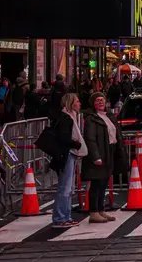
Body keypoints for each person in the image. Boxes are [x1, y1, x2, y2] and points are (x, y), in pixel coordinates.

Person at [46, 92, 86, 228]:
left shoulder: (70, 117)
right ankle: (60, 218)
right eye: (77, 101)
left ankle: (66, 216)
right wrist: (76, 144)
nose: (79, 103)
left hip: (68, 154)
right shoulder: (66, 118)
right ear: (70, 103)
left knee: (68, 187)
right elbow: (63, 138)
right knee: (65, 187)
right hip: (66, 155)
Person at [81, 94, 120, 223]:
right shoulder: (92, 119)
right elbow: (90, 138)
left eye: (102, 99)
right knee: (96, 183)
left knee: (103, 183)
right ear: (93, 104)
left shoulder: (109, 116)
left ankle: (101, 209)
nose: (100, 102)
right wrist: (95, 156)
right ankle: (94, 212)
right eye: (97, 100)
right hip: (99, 153)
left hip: (109, 151)